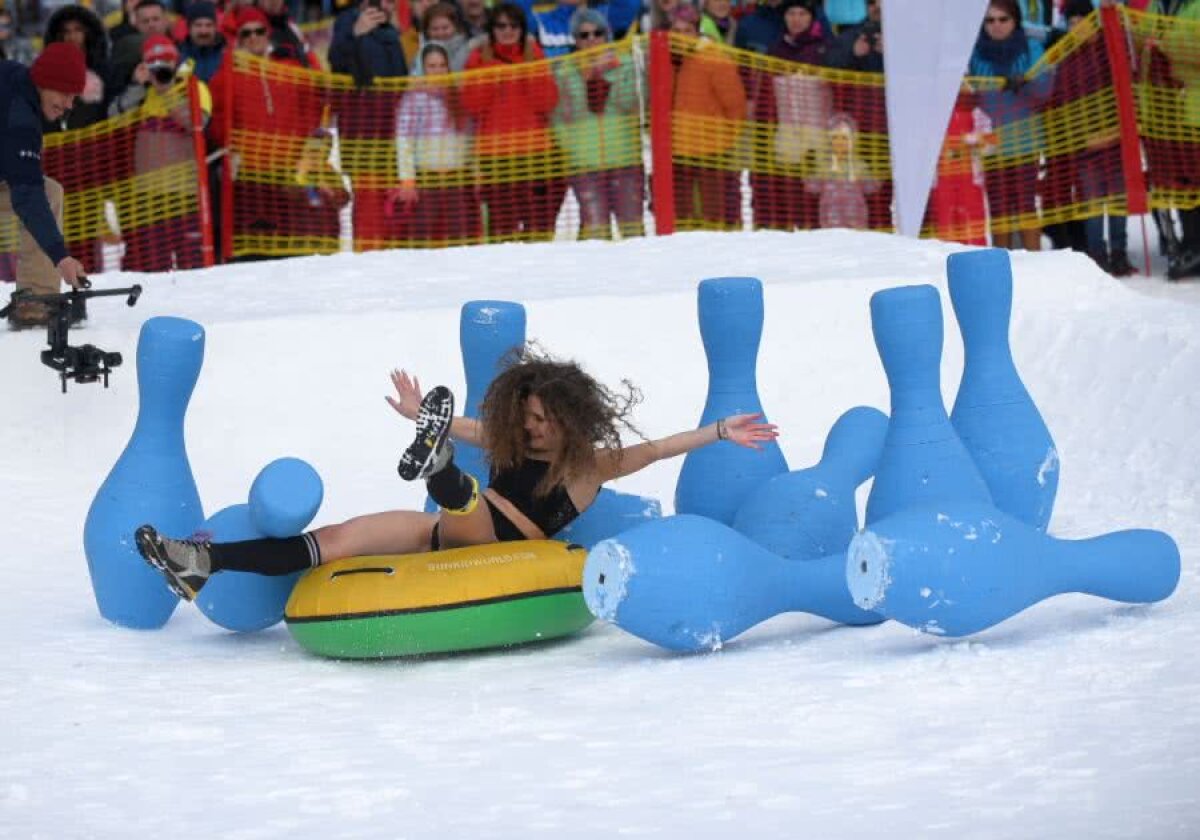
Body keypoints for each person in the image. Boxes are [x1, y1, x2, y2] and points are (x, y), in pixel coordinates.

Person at [135, 347, 780, 599]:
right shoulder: (508, 440)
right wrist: (422, 413)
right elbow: (475, 425)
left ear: (568, 418)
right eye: (524, 417)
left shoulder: (593, 466)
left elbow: (663, 447)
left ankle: (437, 463)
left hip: (507, 542)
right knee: (332, 540)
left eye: (540, 419)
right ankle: (200, 564)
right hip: (452, 532)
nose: (530, 429)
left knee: (464, 493)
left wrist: (722, 431)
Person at [0, 42, 89, 329]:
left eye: (74, 97)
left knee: (49, 192)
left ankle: (35, 301)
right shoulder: (22, 117)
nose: (68, 105)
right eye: (65, 94)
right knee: (40, 195)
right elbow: (26, 194)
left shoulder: (15, 80)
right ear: (44, 83)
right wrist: (60, 256)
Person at [461, 2, 564, 243]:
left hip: (535, 152)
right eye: (501, 26)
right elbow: (472, 105)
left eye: (514, 25)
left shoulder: (535, 54)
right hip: (495, 155)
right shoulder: (478, 57)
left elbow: (548, 102)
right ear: (491, 29)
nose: (507, 31)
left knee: (538, 226)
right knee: (501, 227)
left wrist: (528, 67)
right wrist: (490, 71)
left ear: (522, 28)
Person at [111, 33, 212, 272]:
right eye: (154, 67)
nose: (160, 72)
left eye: (165, 64)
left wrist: (169, 92)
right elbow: (114, 118)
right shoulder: (144, 93)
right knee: (154, 263)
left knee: (191, 264)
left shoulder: (194, 87)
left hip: (185, 193)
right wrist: (137, 85)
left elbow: (197, 123)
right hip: (149, 195)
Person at [552, 7, 645, 240]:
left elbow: (632, 104)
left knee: (633, 228)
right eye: (584, 35)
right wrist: (572, 152)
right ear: (576, 40)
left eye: (597, 33)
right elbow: (561, 119)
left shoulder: (626, 64)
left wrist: (606, 74)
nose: (592, 39)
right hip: (586, 164)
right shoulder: (565, 72)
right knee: (595, 231)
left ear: (607, 34)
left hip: (625, 159)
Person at [968, 0, 1051, 251]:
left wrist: (1027, 82)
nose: (997, 26)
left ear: (1015, 21)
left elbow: (1047, 89)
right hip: (990, 142)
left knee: (1026, 205)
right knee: (998, 208)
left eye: (1003, 19)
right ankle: (1001, 262)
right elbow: (966, 92)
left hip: (1025, 138)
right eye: (990, 20)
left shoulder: (1031, 47)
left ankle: (1035, 263)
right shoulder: (974, 52)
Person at [388, 42, 477, 245]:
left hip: (457, 177)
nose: (438, 71)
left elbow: (469, 138)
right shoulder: (413, 99)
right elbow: (404, 142)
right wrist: (407, 181)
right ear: (422, 68)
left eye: (442, 65)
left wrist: (475, 169)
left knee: (461, 236)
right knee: (423, 237)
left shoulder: (458, 96)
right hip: (427, 179)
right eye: (432, 66)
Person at [668, 3, 747, 231]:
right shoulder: (664, 60)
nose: (682, 37)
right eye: (677, 31)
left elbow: (735, 104)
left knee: (715, 215)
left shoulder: (713, 58)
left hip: (712, 150)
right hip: (677, 151)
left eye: (687, 31)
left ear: (697, 31)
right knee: (683, 217)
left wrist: (726, 137)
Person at [40, 4, 110, 130]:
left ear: (88, 33)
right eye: (66, 32)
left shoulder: (104, 70)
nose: (72, 37)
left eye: (78, 30)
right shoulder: (48, 73)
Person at [804, 111, 878, 229]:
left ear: (853, 140)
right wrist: (808, 173)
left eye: (844, 138)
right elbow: (812, 187)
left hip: (855, 217)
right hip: (830, 218)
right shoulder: (824, 166)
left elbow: (871, 188)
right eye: (835, 137)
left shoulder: (859, 165)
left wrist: (875, 178)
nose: (839, 142)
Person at [178, 0, 226, 83]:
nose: (203, 31)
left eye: (208, 25)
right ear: (189, 28)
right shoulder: (179, 56)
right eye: (198, 25)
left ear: (215, 28)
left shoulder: (226, 55)